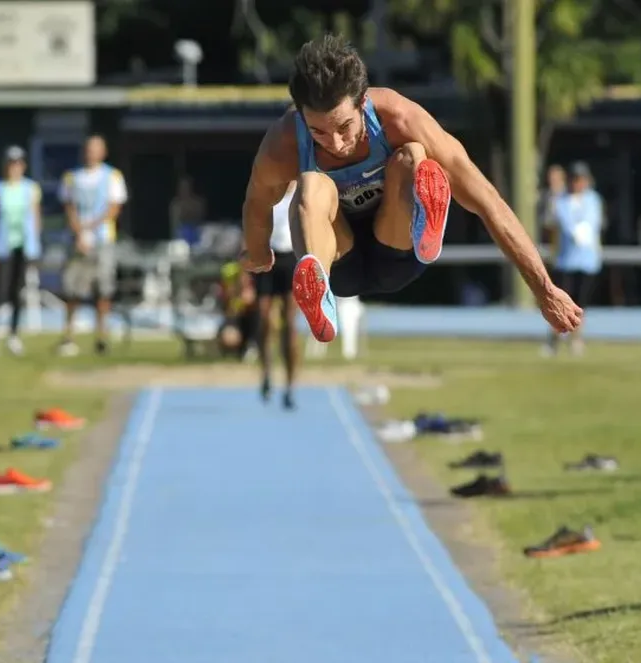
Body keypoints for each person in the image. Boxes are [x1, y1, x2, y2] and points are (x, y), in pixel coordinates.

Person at [239, 34, 581, 342]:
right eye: (319, 133)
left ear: (362, 104)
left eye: (344, 127)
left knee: (414, 156)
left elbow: (487, 201)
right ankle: (320, 291)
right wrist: (257, 252)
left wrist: (545, 289)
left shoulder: (400, 118)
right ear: (301, 117)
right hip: (340, 258)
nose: (336, 144)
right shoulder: (284, 142)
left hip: (396, 248)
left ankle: (426, 222)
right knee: (312, 184)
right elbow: (258, 202)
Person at [58, 135, 127, 357]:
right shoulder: (72, 177)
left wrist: (92, 227)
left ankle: (101, 336)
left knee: (103, 290)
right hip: (79, 241)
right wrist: (79, 232)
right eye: (89, 149)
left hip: (103, 240)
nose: (91, 153)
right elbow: (68, 207)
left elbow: (114, 208)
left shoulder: (113, 176)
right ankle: (69, 336)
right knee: (72, 289)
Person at [0, 146, 43, 356]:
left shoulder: (31, 189)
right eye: (10, 163)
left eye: (17, 164)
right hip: (1, 246)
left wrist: (35, 247)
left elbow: (35, 219)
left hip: (23, 246)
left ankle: (13, 334)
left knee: (18, 291)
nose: (14, 168)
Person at [542, 161, 603, 357]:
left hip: (586, 262)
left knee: (580, 304)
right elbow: (565, 224)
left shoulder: (593, 200)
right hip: (565, 261)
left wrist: (583, 231)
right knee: (560, 303)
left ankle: (576, 340)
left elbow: (592, 222)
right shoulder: (561, 201)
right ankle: (555, 340)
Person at [253, 180, 299, 409]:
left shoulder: (301, 190)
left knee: (289, 324)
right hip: (267, 257)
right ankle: (266, 374)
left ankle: (290, 386)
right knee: (264, 320)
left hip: (291, 257)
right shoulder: (268, 187)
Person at [217, 260, 259, 361]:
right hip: (235, 318)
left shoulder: (257, 280)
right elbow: (227, 307)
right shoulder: (230, 276)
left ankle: (252, 345)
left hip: (251, 319)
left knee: (255, 318)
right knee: (229, 336)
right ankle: (235, 351)